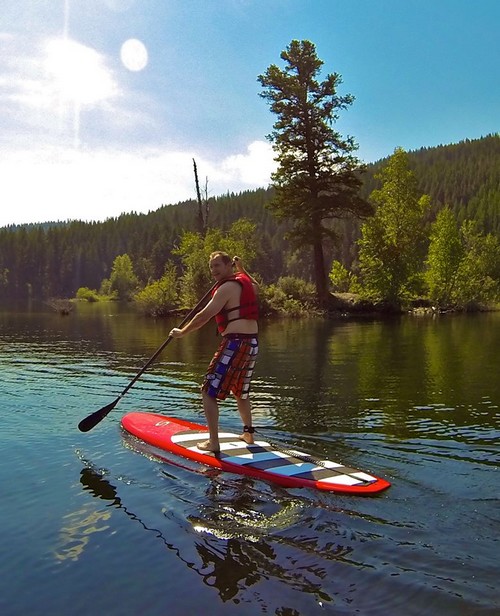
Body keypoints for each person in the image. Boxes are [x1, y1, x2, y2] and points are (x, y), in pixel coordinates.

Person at [169, 251, 259, 453]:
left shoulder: (226, 287)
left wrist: (182, 332)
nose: (214, 270)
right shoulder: (243, 282)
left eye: (218, 265)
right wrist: (242, 270)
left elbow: (205, 315)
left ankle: (214, 443)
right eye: (211, 267)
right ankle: (248, 434)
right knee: (241, 390)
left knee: (208, 391)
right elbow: (255, 286)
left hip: (235, 343)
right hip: (252, 343)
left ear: (228, 266)